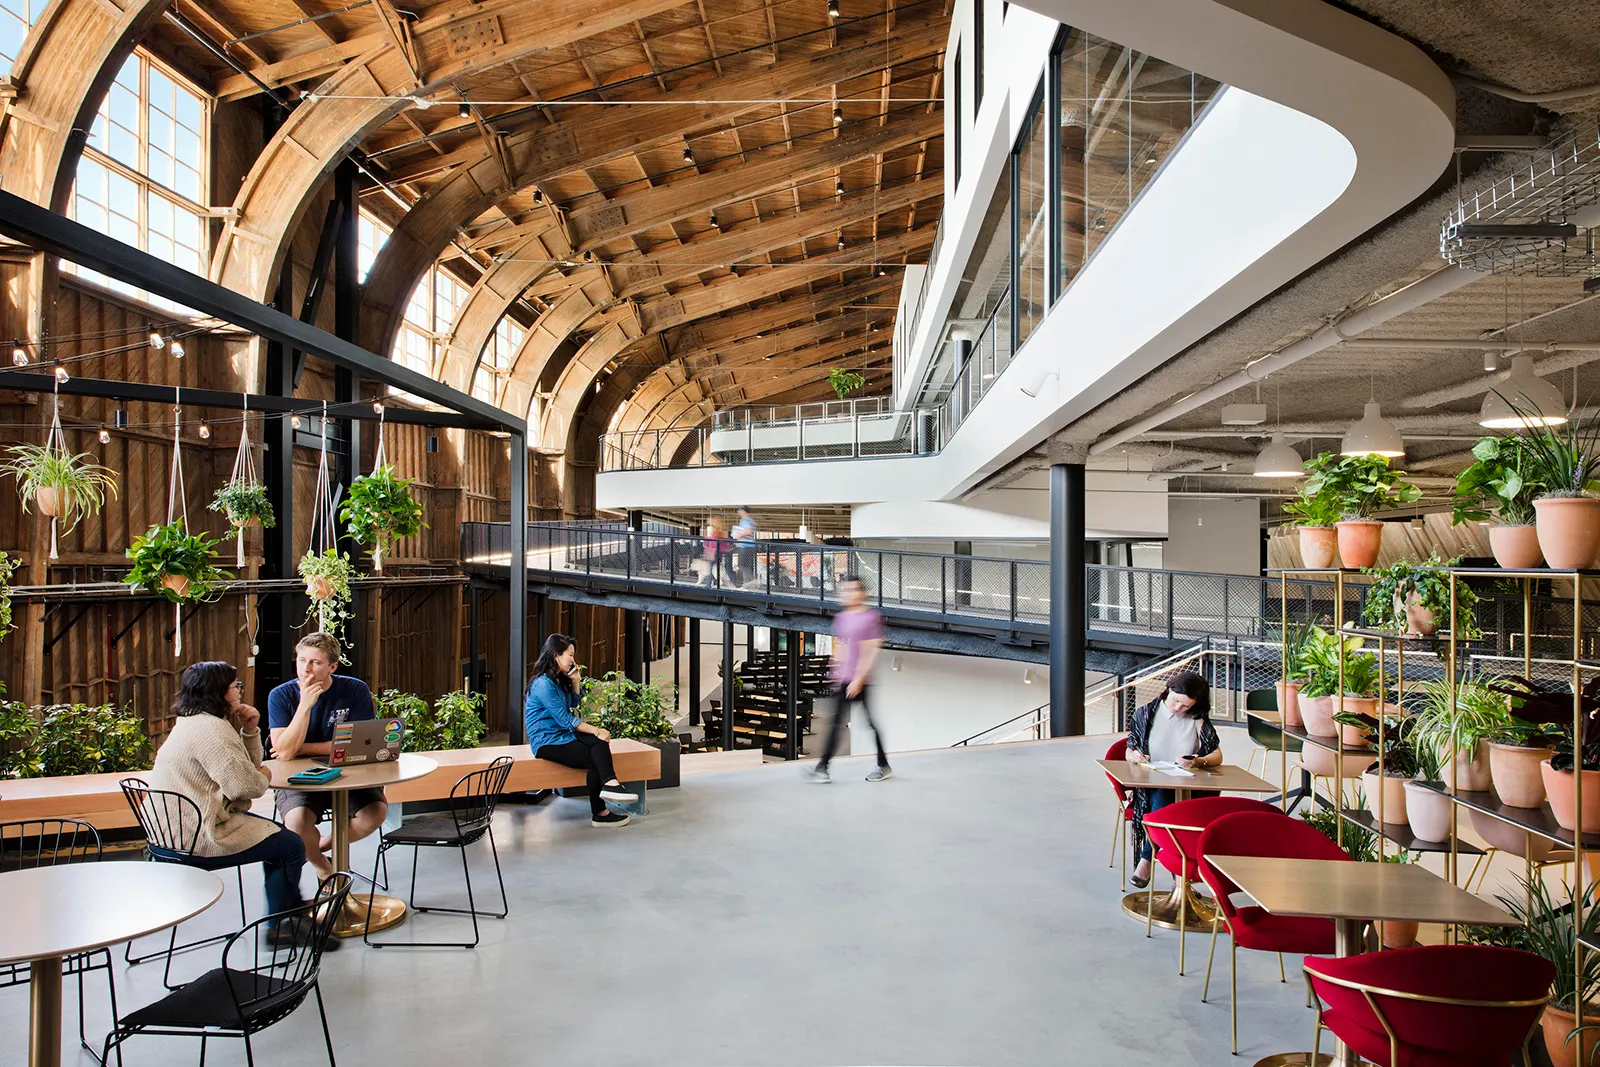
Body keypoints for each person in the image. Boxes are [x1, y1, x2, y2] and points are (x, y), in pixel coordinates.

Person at [150, 661, 331, 948]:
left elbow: (247, 769)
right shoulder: (212, 731)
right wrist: (265, 775)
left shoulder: (192, 722)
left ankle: (288, 916)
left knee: (279, 837)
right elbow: (248, 785)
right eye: (236, 686)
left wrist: (250, 730)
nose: (239, 690)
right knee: (290, 846)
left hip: (169, 831)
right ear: (220, 692)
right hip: (198, 836)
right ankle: (282, 925)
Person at [267, 632, 387, 879]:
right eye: (301, 660)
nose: (306, 669)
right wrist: (305, 705)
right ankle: (324, 868)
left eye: (315, 662)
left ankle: (317, 848)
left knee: (375, 814)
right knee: (298, 824)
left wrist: (301, 746)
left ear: (332, 666)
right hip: (297, 775)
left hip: (349, 769)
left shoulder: (354, 690)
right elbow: (285, 753)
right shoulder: (280, 695)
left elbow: (360, 743)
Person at [524, 634, 639, 827]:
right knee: (596, 751)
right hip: (547, 742)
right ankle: (601, 810)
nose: (573, 660)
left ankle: (610, 786)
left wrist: (575, 681)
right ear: (555, 655)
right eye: (570, 655)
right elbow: (565, 719)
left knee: (599, 743)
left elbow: (572, 703)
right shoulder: (543, 683)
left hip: (562, 734)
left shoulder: (557, 680)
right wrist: (596, 730)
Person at [1125, 671, 1222, 889]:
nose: (1177, 708)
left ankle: (1149, 859)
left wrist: (1198, 761)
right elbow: (1129, 751)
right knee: (1164, 797)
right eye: (1176, 700)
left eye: (1185, 706)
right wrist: (1135, 756)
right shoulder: (1146, 714)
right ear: (1168, 689)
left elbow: (1217, 755)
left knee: (1178, 805)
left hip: (1190, 785)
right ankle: (1175, 877)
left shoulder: (1198, 720)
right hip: (1151, 784)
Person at [810, 574, 891, 783]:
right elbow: (841, 645)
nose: (848, 594)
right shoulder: (842, 618)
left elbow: (871, 651)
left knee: (870, 724)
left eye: (853, 590)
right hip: (845, 679)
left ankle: (883, 765)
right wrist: (837, 671)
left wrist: (858, 680)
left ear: (861, 593)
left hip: (861, 681)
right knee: (835, 723)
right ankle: (822, 767)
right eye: (845, 590)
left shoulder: (871, 617)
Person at [732, 506, 758, 587]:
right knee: (747, 565)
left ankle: (748, 582)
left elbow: (748, 531)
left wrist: (738, 536)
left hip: (745, 546)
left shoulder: (745, 520)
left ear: (744, 511)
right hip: (750, 545)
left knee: (742, 565)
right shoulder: (751, 520)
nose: (738, 512)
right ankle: (750, 583)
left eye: (739, 510)